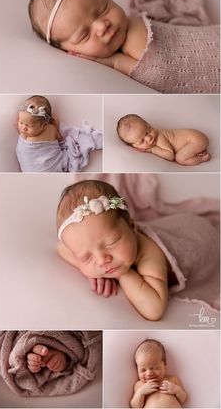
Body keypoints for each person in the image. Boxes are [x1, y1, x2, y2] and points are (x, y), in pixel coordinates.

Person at [28, 0, 220, 94]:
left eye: (103, 8)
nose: (102, 26)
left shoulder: (134, 29)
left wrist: (114, 61)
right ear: (69, 51)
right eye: (84, 35)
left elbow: (163, 74)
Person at [56, 179, 219, 320]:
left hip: (200, 237)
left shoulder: (149, 255)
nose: (101, 260)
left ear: (132, 225)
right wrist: (92, 270)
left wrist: (122, 274)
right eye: (86, 257)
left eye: (112, 242)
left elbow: (154, 309)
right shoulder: (94, 248)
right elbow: (61, 248)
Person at [117, 114, 210, 165]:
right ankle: (198, 151)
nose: (149, 138)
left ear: (149, 124)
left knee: (180, 158)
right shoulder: (153, 137)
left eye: (148, 131)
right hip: (194, 139)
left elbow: (170, 156)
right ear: (135, 146)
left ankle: (202, 158)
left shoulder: (159, 137)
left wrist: (153, 149)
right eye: (142, 141)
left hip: (195, 139)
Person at [130, 339, 187, 408]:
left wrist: (176, 390)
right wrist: (141, 393)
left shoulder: (172, 380)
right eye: (143, 370)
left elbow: (183, 399)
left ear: (164, 365)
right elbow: (135, 406)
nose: (149, 373)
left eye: (154, 368)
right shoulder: (140, 385)